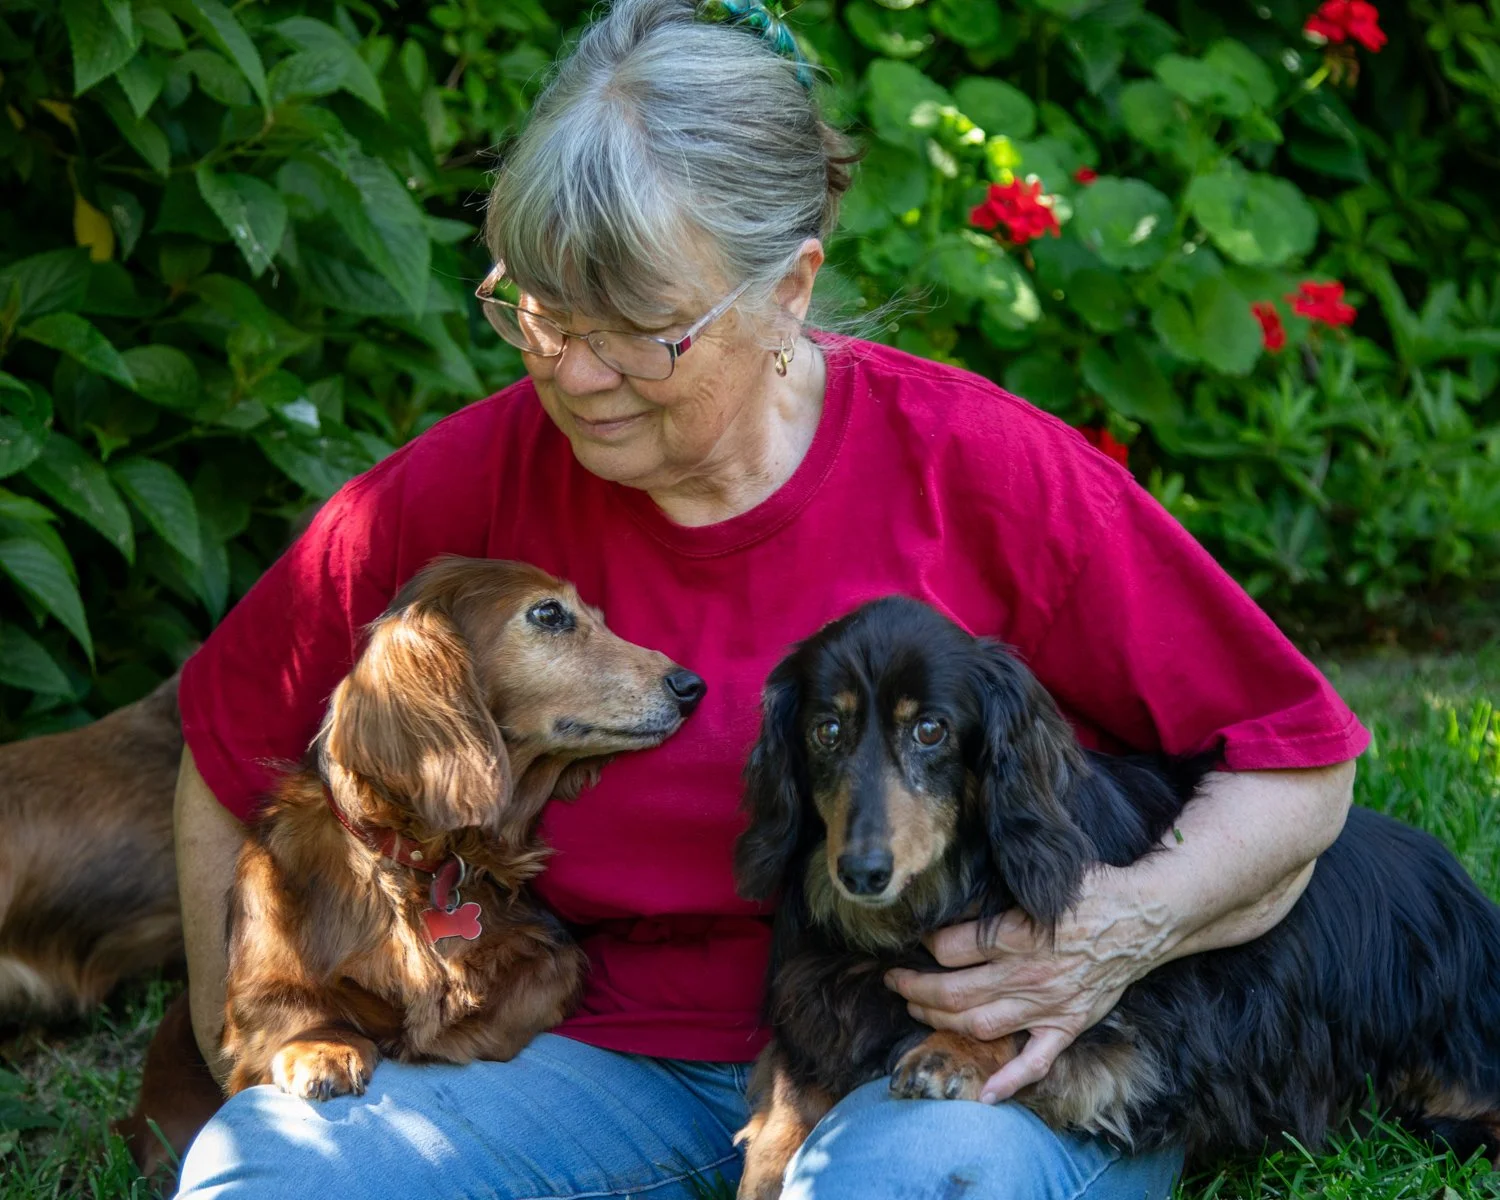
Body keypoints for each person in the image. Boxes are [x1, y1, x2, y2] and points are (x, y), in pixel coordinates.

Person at [172, 1, 1366, 1196]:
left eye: (641, 331)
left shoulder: (983, 472)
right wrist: (244, 1036)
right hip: (582, 1049)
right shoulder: (461, 489)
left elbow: (1299, 765)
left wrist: (1117, 934)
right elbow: (222, 754)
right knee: (269, 1171)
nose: (575, 376)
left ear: (787, 288)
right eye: (538, 309)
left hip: (937, 1047)